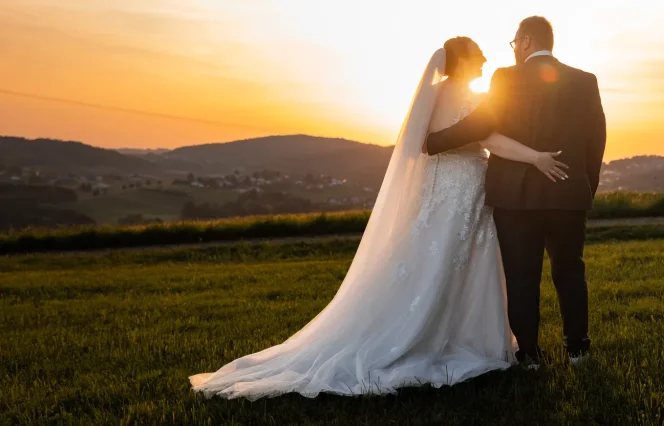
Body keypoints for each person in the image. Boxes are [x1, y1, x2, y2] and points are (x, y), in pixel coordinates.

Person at [190, 36, 567, 398]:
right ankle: (462, 339)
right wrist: (536, 157)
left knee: (433, 260)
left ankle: (446, 332)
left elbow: (421, 145)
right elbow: (489, 139)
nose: (485, 59)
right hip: (464, 189)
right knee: (463, 262)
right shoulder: (473, 99)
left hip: (439, 189)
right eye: (480, 53)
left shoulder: (433, 95)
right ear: (465, 60)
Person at [426, 17, 606, 367]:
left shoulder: (506, 78)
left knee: (522, 276)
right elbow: (596, 140)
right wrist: (586, 187)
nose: (513, 50)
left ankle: (530, 355)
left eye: (514, 43)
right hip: (568, 195)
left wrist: (434, 142)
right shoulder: (585, 80)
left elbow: (481, 123)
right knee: (570, 271)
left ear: (525, 41)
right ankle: (578, 350)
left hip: (515, 197)